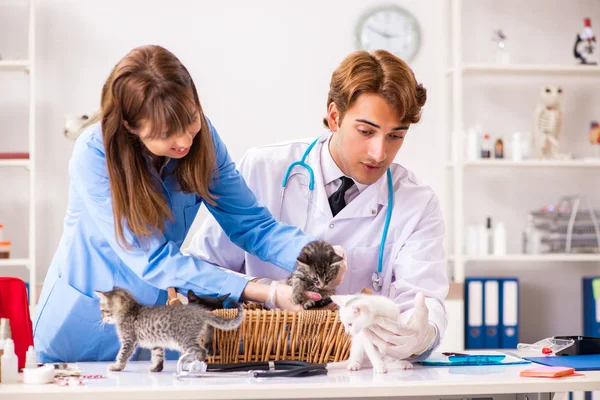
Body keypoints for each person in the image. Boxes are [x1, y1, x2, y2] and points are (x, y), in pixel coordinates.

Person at [33, 45, 345, 363]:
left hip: (151, 327)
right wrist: (265, 290)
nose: (184, 141)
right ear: (130, 125)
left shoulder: (202, 140)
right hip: (82, 323)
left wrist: (315, 254)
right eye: (167, 133)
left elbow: (252, 224)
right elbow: (156, 261)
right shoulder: (94, 154)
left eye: (191, 119)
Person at [186, 50, 448, 360]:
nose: (379, 153)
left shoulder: (417, 203)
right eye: (366, 131)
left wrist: (423, 335)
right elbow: (201, 270)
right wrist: (268, 291)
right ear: (335, 116)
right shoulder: (263, 169)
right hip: (255, 363)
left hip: (355, 373)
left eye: (395, 136)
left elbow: (422, 300)